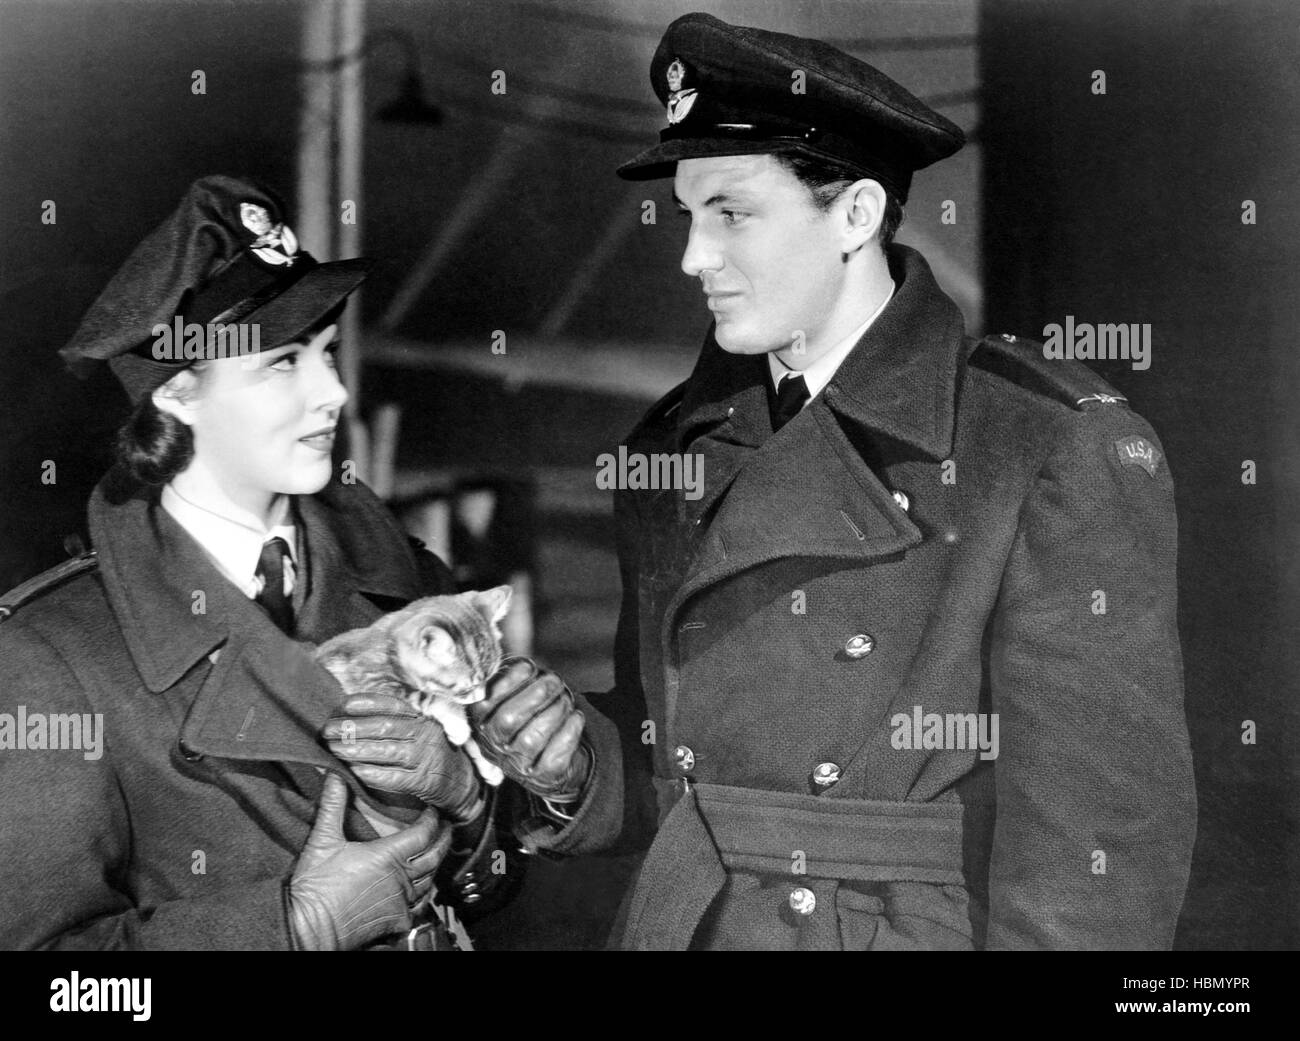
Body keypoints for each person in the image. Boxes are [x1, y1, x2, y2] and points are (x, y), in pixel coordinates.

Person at [560, 12, 1197, 949]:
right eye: (689, 215)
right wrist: (555, 755)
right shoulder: (675, 448)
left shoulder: (1036, 446)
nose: (694, 256)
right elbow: (674, 764)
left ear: (855, 215)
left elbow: (1100, 856)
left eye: (732, 212)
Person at [0, 175, 606, 950]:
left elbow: (497, 887)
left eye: (325, 352)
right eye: (283, 363)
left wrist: (467, 803)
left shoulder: (406, 580)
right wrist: (289, 927)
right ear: (178, 394)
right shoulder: (55, 657)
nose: (335, 391)